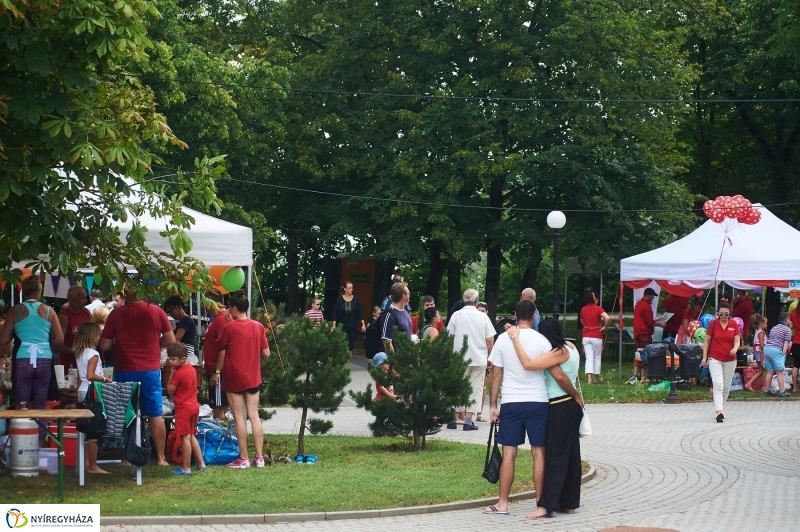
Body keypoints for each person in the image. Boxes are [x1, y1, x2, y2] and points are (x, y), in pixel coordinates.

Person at [507, 317, 584, 519]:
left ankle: (546, 505)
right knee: (572, 455)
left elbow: (528, 364)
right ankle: (568, 502)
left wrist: (515, 338)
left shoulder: (556, 353)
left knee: (555, 456)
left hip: (559, 404)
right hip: (570, 407)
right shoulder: (571, 347)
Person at [482, 299, 551, 515]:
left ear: (515, 315)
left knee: (509, 453)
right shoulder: (542, 340)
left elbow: (495, 375)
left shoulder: (503, 340)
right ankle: (540, 502)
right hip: (538, 401)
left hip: (511, 401)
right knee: (539, 453)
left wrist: (493, 405)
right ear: (533, 317)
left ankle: (503, 503)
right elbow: (549, 373)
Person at [99, 288, 175, 466]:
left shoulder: (116, 313)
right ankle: (161, 458)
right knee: (156, 413)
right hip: (150, 368)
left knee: (127, 413)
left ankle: (128, 457)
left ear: (125, 294)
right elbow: (171, 340)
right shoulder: (157, 311)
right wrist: (156, 344)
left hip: (125, 368)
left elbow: (104, 344)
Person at [0, 277, 69, 438]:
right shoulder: (49, 311)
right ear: (39, 291)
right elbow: (60, 340)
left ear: (23, 291)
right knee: (40, 403)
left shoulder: (14, 311)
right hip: (44, 358)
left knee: (21, 402)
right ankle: (39, 442)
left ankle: (21, 440)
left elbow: (3, 340)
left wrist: (17, 334)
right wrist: (44, 340)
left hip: (23, 358)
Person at [210, 290, 270, 469]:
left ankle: (243, 457)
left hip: (233, 377)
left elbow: (219, 345)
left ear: (234, 309)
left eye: (229, 308)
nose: (228, 311)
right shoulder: (258, 326)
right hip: (253, 378)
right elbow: (266, 353)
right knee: (254, 416)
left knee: (239, 417)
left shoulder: (230, 327)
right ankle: (259, 458)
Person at [446, 289, 495, 430]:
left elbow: (449, 337)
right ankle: (468, 421)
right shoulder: (483, 317)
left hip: (459, 357)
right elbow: (490, 339)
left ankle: (455, 419)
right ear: (476, 301)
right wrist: (490, 356)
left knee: (458, 387)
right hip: (479, 358)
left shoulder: (456, 315)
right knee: (476, 388)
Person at [73, 321, 112, 474]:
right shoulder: (93, 354)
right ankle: (93, 466)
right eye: (97, 335)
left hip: (82, 391)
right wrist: (105, 379)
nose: (99, 338)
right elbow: (90, 375)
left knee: (83, 429)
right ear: (92, 336)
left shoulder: (80, 353)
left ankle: (84, 464)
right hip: (92, 392)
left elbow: (81, 378)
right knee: (94, 430)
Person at [166, 343, 207, 475]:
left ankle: (186, 468)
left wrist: (171, 374)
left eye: (173, 359)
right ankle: (201, 464)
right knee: (191, 436)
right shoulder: (192, 369)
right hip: (194, 406)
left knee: (184, 438)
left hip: (183, 408)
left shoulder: (179, 373)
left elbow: (170, 390)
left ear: (183, 359)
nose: (170, 361)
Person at [701, 301, 741, 422]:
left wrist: (734, 349)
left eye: (726, 314)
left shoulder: (734, 324)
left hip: (730, 359)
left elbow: (737, 341)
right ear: (718, 313)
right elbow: (707, 342)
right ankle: (719, 411)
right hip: (715, 358)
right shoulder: (713, 324)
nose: (724, 317)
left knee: (726, 386)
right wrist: (704, 357)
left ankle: (721, 407)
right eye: (721, 314)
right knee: (718, 384)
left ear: (729, 313)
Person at [203, 298, 230, 421]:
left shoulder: (220, 320)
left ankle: (224, 438)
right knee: (218, 409)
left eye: (206, 305)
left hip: (218, 371)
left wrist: (217, 372)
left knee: (219, 410)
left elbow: (223, 348)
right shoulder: (217, 319)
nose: (205, 308)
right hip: (213, 368)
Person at [632, 288, 666, 383]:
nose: (652, 298)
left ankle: (635, 375)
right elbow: (649, 321)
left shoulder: (638, 304)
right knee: (645, 355)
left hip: (638, 333)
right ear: (647, 294)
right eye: (652, 296)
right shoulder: (646, 306)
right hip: (645, 334)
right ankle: (643, 377)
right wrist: (660, 323)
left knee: (638, 354)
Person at [58, 285, 92, 369]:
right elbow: (56, 344)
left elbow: (94, 332)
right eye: (82, 298)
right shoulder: (64, 317)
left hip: (86, 363)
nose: (86, 301)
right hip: (69, 365)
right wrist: (75, 351)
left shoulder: (87, 313)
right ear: (72, 300)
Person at [579, 291, 609, 384]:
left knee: (588, 357)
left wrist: (587, 326)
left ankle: (589, 379)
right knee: (597, 357)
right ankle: (597, 377)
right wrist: (604, 327)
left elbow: (582, 322)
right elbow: (607, 318)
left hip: (586, 336)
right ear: (593, 299)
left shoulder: (583, 309)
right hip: (596, 336)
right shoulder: (598, 309)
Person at [762, 312, 792, 398]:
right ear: (787, 320)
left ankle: (767, 390)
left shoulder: (774, 328)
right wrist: (783, 353)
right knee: (779, 372)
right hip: (776, 350)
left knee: (770, 371)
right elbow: (786, 343)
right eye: (789, 319)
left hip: (767, 349)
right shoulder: (787, 330)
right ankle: (782, 392)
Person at [331, 281, 365, 353]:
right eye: (349, 288)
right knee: (345, 343)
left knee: (351, 345)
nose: (351, 289)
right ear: (345, 289)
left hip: (353, 325)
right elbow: (335, 313)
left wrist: (363, 324)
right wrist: (334, 325)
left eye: (352, 288)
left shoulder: (356, 299)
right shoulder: (339, 299)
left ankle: (347, 361)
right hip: (342, 325)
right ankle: (344, 362)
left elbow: (360, 312)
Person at [163, 295, 197, 363]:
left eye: (171, 311)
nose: (171, 314)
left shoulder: (185, 320)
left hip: (185, 357)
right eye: (168, 313)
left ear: (179, 307)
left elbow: (176, 339)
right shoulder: (185, 320)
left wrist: (163, 346)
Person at [381, 282, 413, 352]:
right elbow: (386, 341)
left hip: (407, 359)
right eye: (408, 293)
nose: (410, 295)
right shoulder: (389, 315)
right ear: (403, 295)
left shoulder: (405, 311)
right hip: (397, 360)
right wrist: (394, 361)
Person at [745, 314, 767, 392]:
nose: (766, 325)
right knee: (764, 370)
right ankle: (764, 386)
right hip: (761, 352)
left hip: (756, 351)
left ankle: (749, 384)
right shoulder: (761, 332)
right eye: (765, 323)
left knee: (761, 370)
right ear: (761, 323)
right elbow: (761, 344)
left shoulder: (757, 332)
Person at [789, 300, 800, 393]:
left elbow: (791, 326)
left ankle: (795, 387)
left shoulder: (793, 313)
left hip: (796, 342)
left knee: (796, 365)